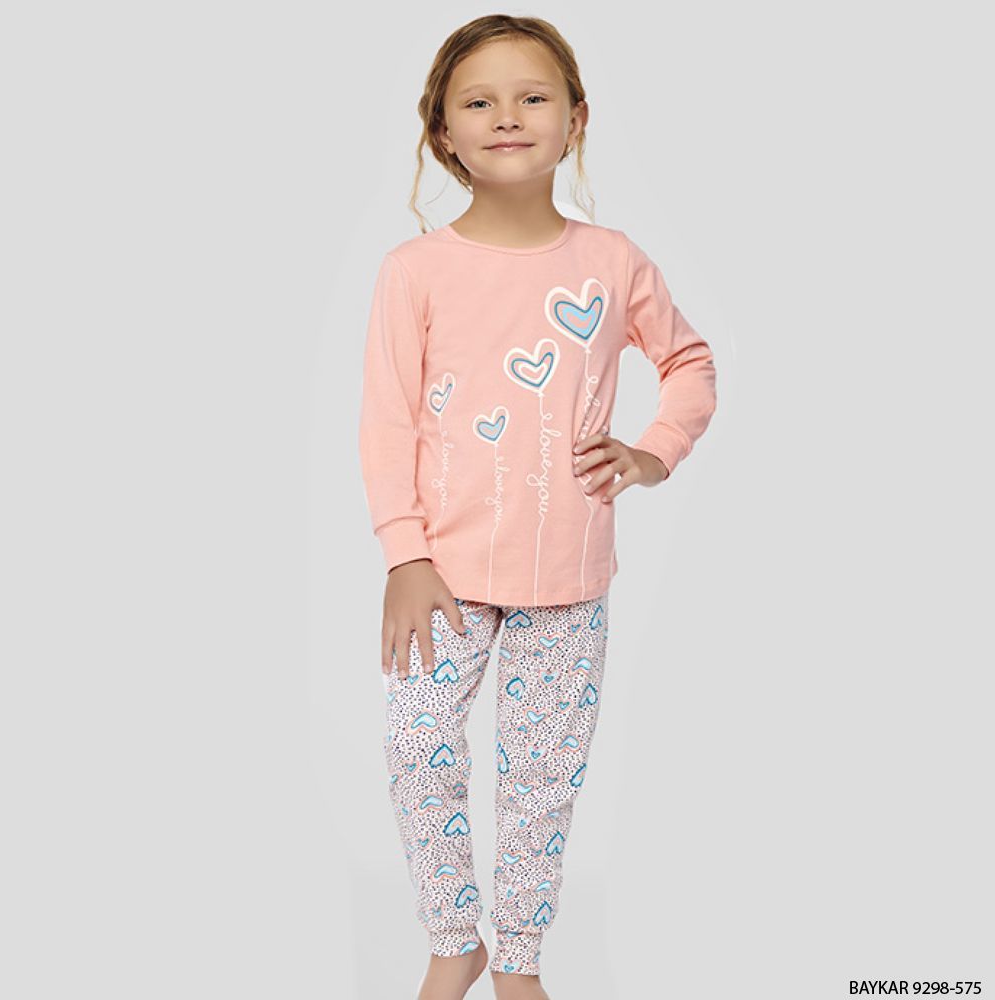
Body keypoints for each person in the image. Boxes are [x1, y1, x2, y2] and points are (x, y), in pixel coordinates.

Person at [358, 14, 718, 1000]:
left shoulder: (611, 262)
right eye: (480, 101)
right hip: (441, 574)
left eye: (532, 97)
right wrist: (403, 555)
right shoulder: (414, 271)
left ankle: (518, 958)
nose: (508, 116)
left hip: (566, 576)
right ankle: (453, 937)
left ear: (575, 121)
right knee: (414, 745)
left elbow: (688, 361)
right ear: (443, 132)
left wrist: (652, 452)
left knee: (540, 776)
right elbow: (386, 421)